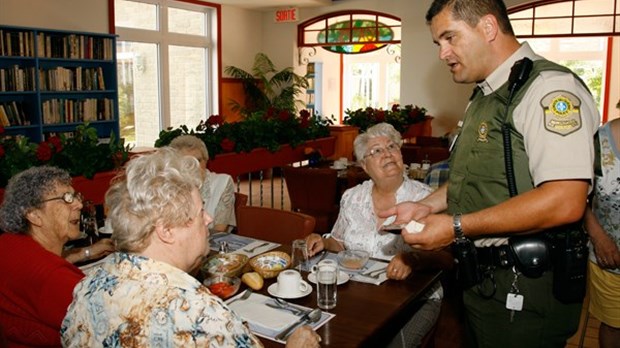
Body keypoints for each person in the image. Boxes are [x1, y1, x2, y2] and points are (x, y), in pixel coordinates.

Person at [379, 0, 600, 346]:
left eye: (449, 38)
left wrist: (455, 227)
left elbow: (565, 200)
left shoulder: (549, 90)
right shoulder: (487, 94)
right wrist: (430, 206)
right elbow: (478, 175)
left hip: (526, 285)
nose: (443, 53)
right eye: (439, 43)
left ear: (487, 27)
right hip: (483, 279)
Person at [61, 147, 320, 347]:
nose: (208, 219)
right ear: (166, 230)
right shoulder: (199, 313)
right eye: (199, 213)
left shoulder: (87, 287)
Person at [305, 123, 453, 347]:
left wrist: (412, 259)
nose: (387, 154)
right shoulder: (352, 197)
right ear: (364, 165)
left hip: (415, 299)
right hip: (357, 294)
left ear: (401, 153)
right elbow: (340, 242)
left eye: (392, 146)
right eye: (376, 151)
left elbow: (448, 259)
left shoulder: (425, 200)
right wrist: (322, 241)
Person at [0, 166, 86, 347]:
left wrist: (86, 252)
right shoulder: (52, 277)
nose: (78, 204)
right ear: (34, 215)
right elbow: (109, 322)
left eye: (75, 196)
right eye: (66, 199)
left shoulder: (7, 243)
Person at [584, 115, 620, 348]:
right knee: (613, 326)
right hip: (610, 261)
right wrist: (598, 237)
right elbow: (576, 197)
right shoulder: (599, 141)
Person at [170, 134, 236, 233]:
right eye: (187, 162)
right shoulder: (168, 186)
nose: (195, 166)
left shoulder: (222, 183)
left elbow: (219, 231)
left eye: (199, 160)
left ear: (206, 161)